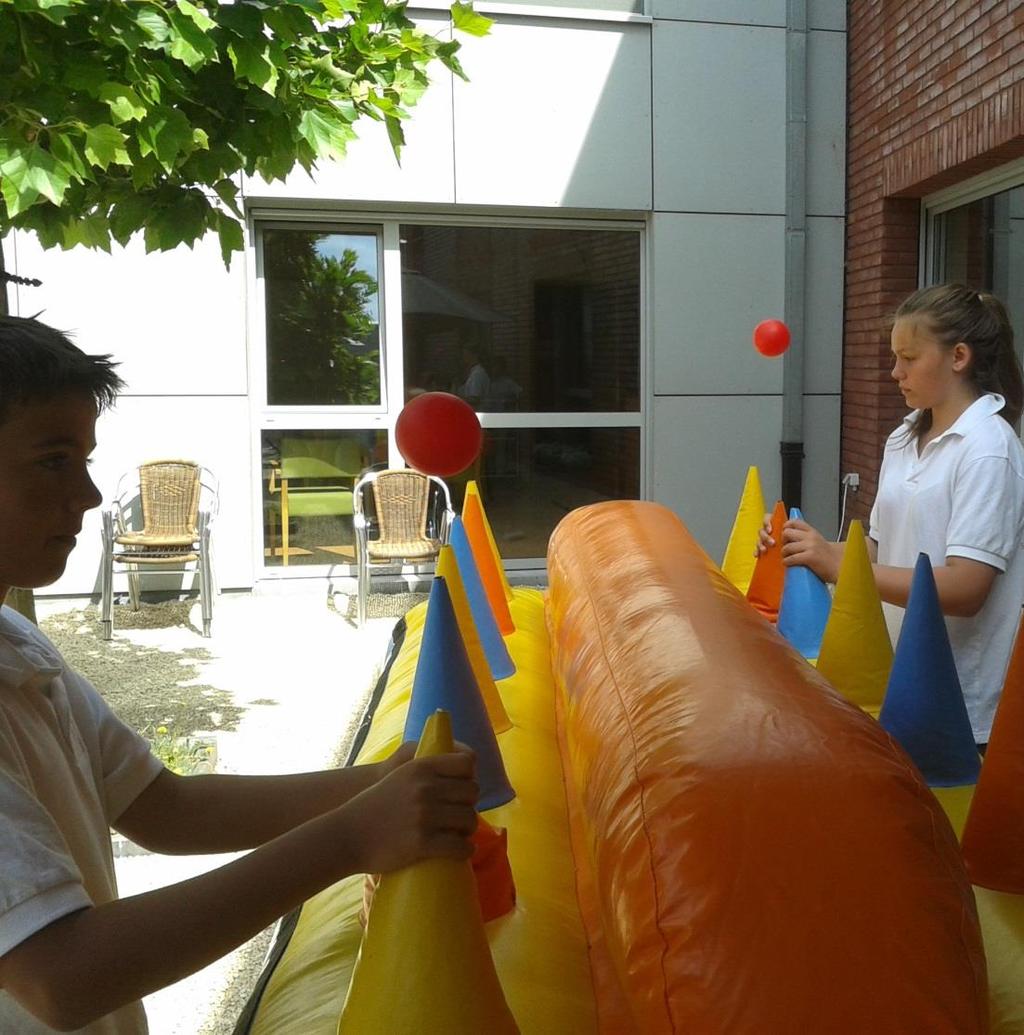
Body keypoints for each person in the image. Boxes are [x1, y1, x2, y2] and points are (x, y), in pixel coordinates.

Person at [0, 315, 479, 1033]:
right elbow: (61, 975)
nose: (91, 494)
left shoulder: (21, 646)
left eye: (87, 459)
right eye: (53, 460)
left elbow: (166, 808)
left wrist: (380, 780)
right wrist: (352, 837)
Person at [759, 284, 1024, 748]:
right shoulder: (903, 437)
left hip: (960, 706)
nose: (894, 371)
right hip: (893, 683)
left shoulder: (989, 449)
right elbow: (880, 551)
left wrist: (842, 566)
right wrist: (807, 547)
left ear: (958, 356)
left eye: (909, 357)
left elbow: (966, 588)